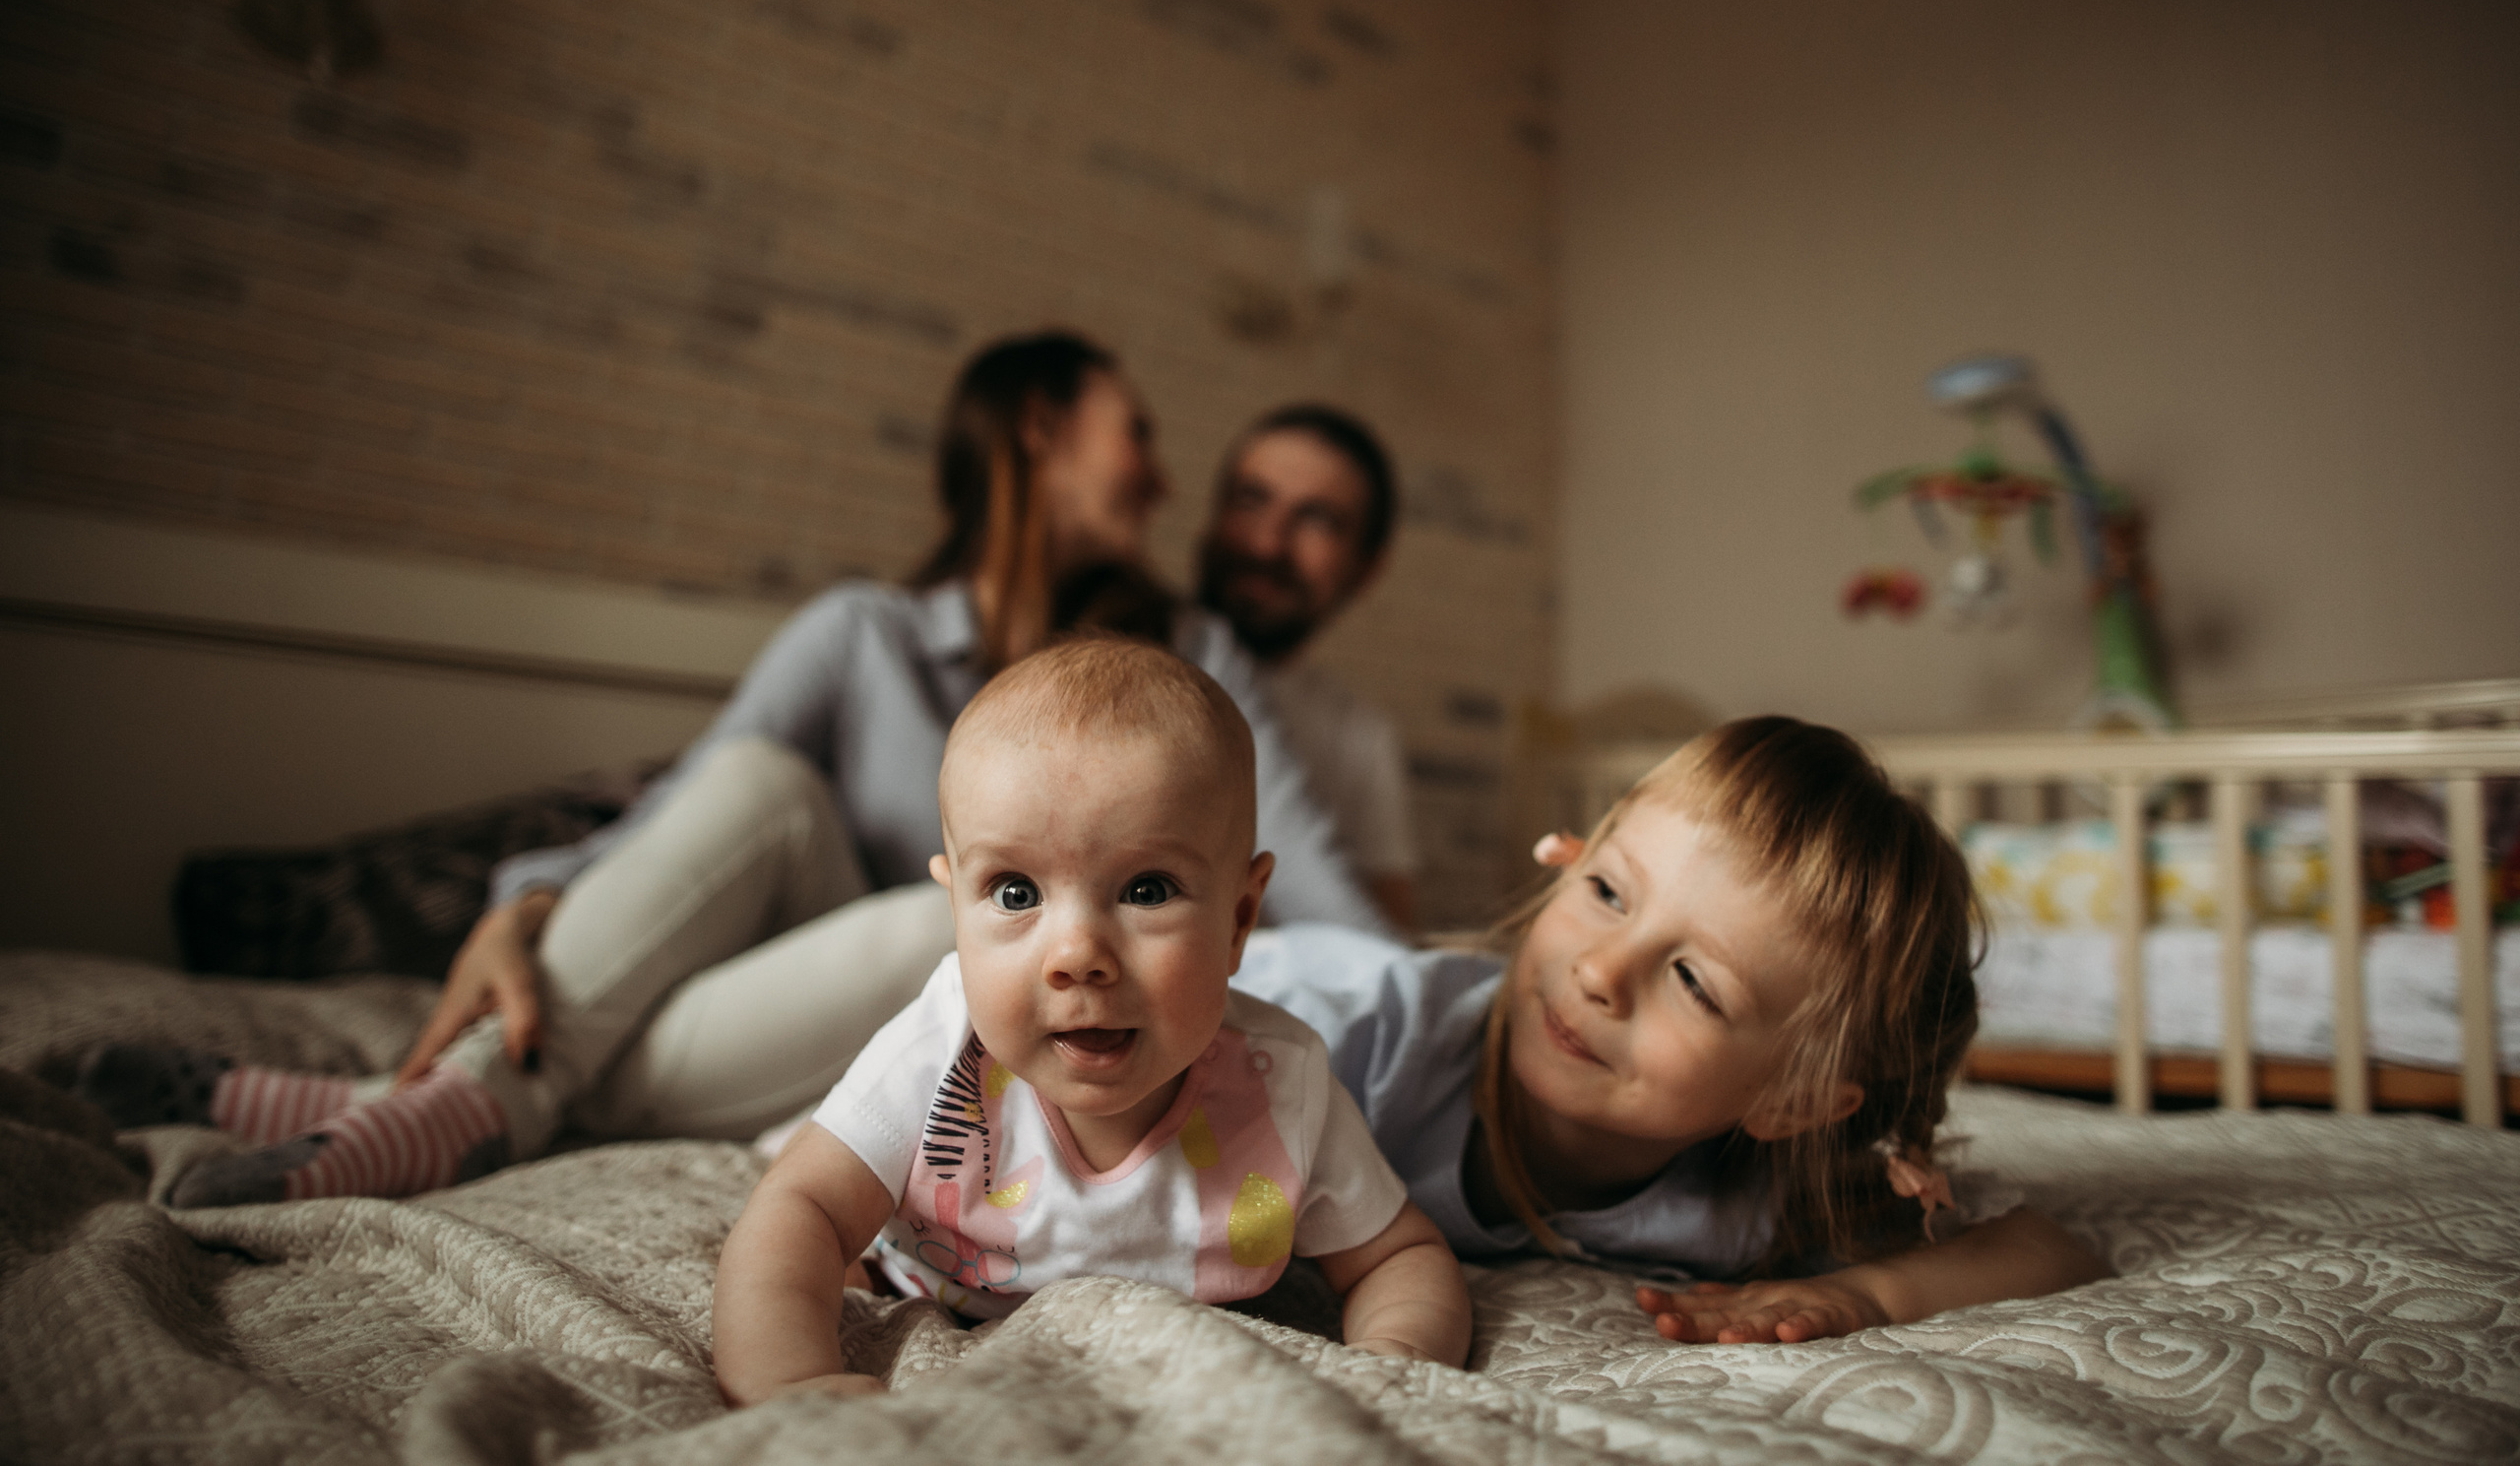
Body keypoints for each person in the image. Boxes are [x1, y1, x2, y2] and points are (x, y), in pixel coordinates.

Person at [92, 331, 1396, 1207]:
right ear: (1041, 432)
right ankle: (453, 1102)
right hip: (743, 999)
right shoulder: (861, 634)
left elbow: (1317, 890)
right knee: (768, 778)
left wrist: (1484, 992)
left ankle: (398, 1107)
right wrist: (529, 901)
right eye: (1139, 435)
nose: (1166, 478)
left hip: (903, 1025)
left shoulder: (1183, 653)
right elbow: (688, 816)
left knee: (944, 929)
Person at [713, 637, 1468, 1403]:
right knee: (825, 1207)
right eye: (1014, 893)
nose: (1077, 955)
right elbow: (798, 1207)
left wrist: (1390, 1365)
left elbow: (1397, 1255)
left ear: (1240, 917)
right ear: (955, 912)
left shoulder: (1284, 1086)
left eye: (1146, 890)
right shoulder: (941, 1048)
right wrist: (791, 1378)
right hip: (935, 1271)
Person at [1230, 716, 2111, 1341]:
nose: (1601, 972)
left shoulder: (1751, 1204)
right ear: (1565, 862)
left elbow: (2045, 1245)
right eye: (1607, 892)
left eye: (1694, 981)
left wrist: (1868, 1294)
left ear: (1794, 1100)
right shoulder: (1336, 1050)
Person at [1199, 407, 1418, 929]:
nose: (1268, 542)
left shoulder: (1362, 739)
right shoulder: (1104, 660)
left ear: (1367, 568)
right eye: (1251, 500)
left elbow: (1388, 936)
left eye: (1315, 519)